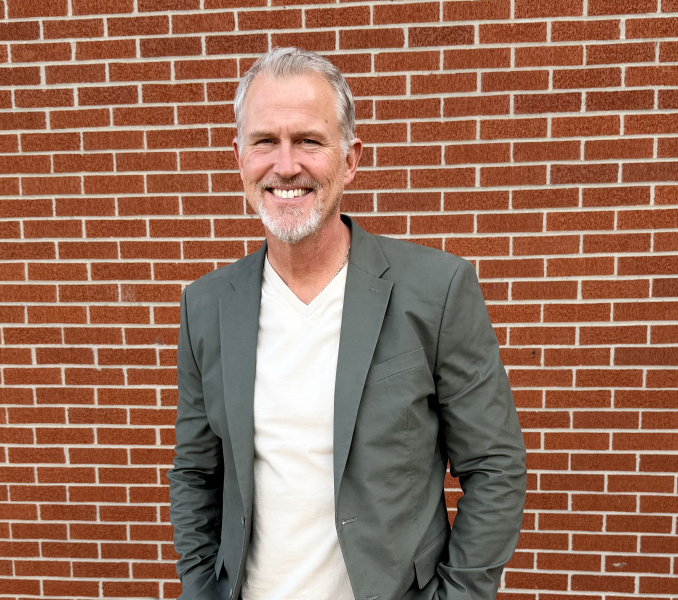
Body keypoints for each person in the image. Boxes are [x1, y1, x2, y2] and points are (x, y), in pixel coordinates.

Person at [167, 47, 526, 600]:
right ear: (239, 157)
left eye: (309, 140)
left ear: (350, 158)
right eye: (266, 141)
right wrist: (199, 588)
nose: (286, 165)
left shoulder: (436, 289)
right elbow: (196, 474)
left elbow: (494, 465)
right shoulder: (207, 306)